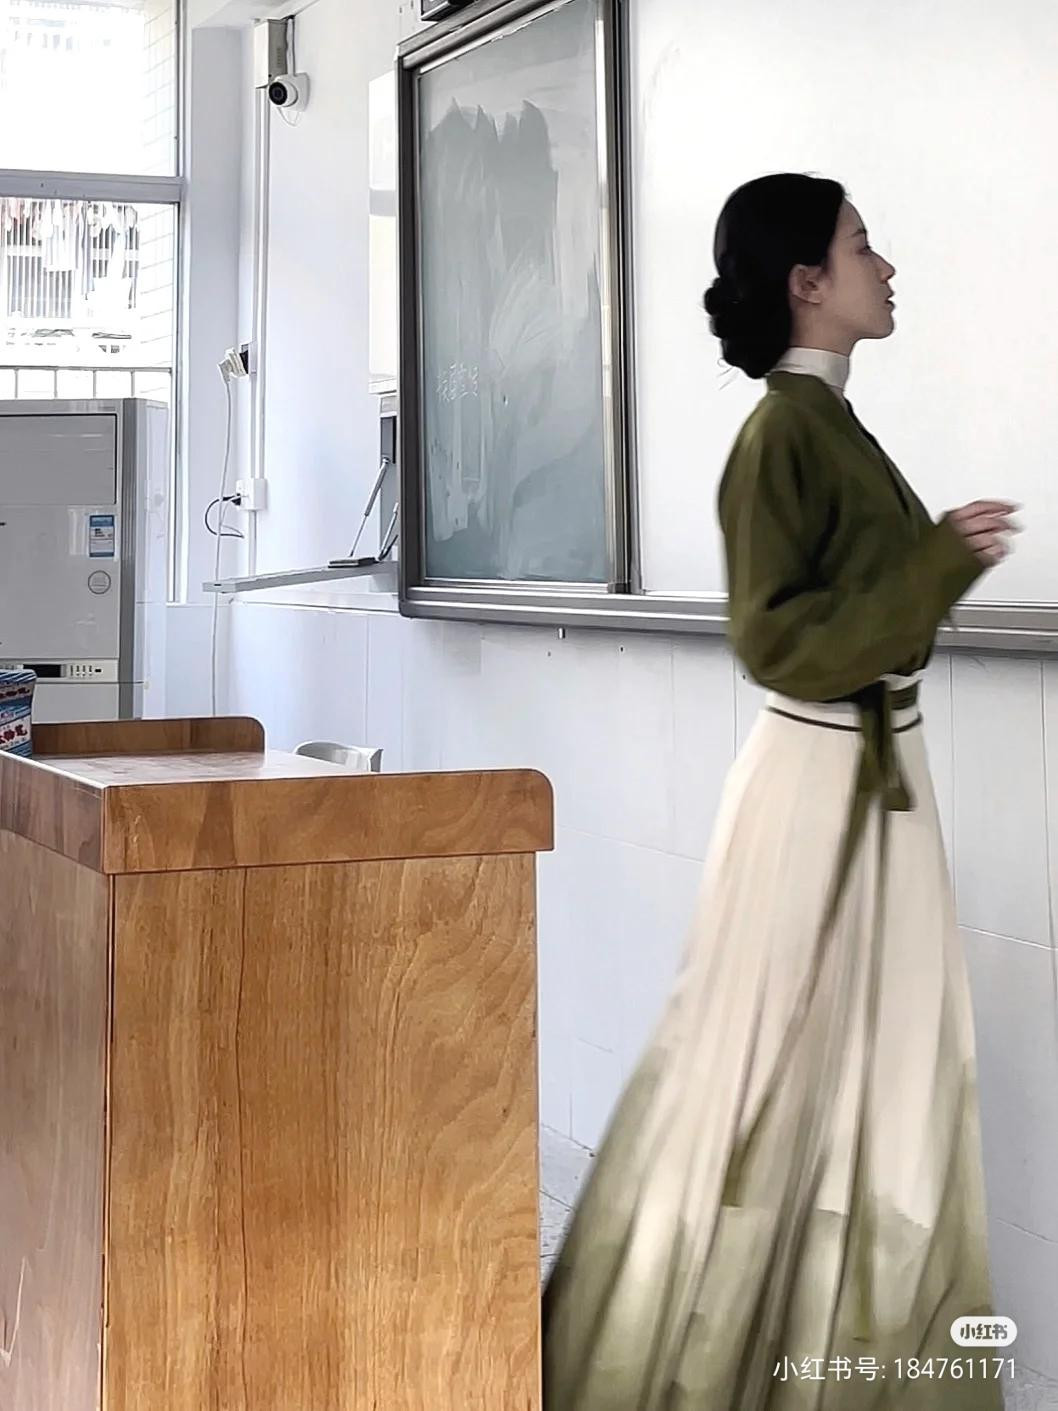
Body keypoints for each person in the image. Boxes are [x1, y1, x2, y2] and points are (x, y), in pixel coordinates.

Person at [541, 173, 1017, 1410]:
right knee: (761, 1074)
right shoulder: (781, 434)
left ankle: (846, 1362)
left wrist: (932, 570)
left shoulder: (829, 424)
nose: (884, 266)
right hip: (817, 783)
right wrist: (933, 566)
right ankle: (692, 1360)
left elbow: (859, 613)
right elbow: (771, 640)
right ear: (806, 282)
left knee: (877, 1073)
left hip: (868, 776)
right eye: (861, 245)